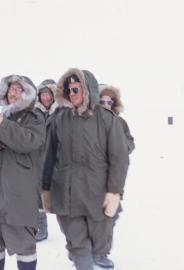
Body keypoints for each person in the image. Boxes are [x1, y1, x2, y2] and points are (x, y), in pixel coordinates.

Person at [41, 68, 129, 270]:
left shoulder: (107, 119)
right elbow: (49, 157)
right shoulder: (59, 120)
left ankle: (97, 255)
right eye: (68, 89)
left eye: (76, 89)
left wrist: (114, 192)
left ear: (88, 90)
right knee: (78, 247)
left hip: (97, 197)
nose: (71, 93)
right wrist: (45, 189)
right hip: (67, 197)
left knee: (99, 244)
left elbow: (119, 158)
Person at [0, 75, 45, 270]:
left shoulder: (34, 117)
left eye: (19, 89)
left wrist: (3, 124)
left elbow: (28, 141)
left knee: (25, 247)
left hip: (21, 195)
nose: (13, 92)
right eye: (11, 88)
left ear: (27, 93)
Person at [91, 84, 135, 269]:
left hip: (114, 179)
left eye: (109, 101)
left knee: (110, 217)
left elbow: (130, 143)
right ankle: (89, 251)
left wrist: (119, 148)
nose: (105, 104)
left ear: (114, 103)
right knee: (94, 218)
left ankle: (101, 253)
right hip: (94, 179)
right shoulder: (91, 121)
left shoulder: (120, 122)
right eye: (102, 101)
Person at [34, 79, 58, 242]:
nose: (46, 97)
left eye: (49, 94)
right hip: (38, 158)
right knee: (37, 195)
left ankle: (74, 235)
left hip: (57, 159)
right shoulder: (35, 112)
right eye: (43, 94)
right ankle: (41, 228)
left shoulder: (61, 111)